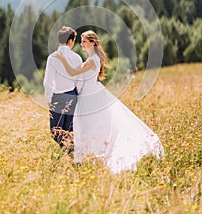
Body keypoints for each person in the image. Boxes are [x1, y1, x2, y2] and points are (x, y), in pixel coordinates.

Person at [53, 30, 164, 174]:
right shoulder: (91, 59)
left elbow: (74, 73)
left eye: (85, 41)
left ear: (92, 43)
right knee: (88, 127)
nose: (82, 44)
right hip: (87, 96)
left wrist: (61, 59)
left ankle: (90, 158)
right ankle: (87, 158)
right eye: (81, 41)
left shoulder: (93, 61)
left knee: (90, 127)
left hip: (90, 97)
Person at [43, 26, 83, 152]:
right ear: (70, 41)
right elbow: (79, 81)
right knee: (70, 129)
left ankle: (68, 154)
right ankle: (70, 154)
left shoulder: (52, 58)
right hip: (72, 95)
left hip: (57, 96)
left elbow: (48, 82)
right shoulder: (77, 58)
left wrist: (48, 100)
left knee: (55, 131)